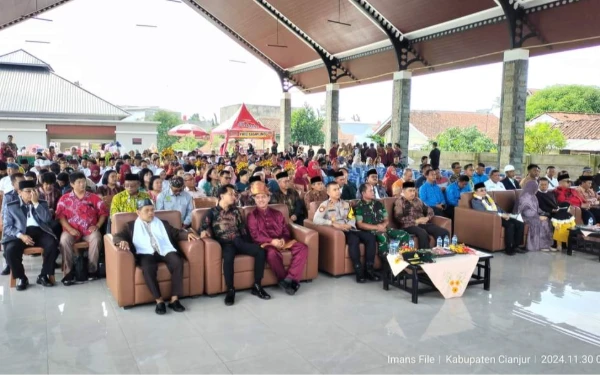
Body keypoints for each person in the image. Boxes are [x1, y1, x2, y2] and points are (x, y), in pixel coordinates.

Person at [113, 199, 198, 315]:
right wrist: (122, 241)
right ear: (138, 212)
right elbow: (118, 236)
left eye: (152, 210)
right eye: (147, 210)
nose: (150, 213)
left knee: (177, 261)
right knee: (148, 268)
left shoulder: (163, 223)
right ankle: (159, 301)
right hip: (145, 252)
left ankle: (174, 299)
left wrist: (187, 234)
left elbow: (176, 233)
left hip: (164, 249)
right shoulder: (131, 226)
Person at [198, 184, 271, 306]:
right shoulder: (212, 212)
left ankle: (257, 285)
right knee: (228, 258)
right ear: (222, 196)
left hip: (239, 242)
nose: (234, 196)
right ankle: (230, 290)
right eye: (231, 194)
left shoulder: (236, 210)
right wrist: (203, 232)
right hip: (226, 244)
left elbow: (242, 229)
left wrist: (249, 244)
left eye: (234, 194)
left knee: (260, 251)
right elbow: (201, 228)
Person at [246, 182, 308, 295]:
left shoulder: (278, 213)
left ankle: (290, 279)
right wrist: (272, 241)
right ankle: (284, 280)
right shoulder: (252, 216)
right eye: (258, 197)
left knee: (302, 247)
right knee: (272, 254)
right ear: (254, 199)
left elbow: (285, 231)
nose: (261, 200)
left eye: (263, 197)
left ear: (268, 198)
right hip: (266, 244)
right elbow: (255, 236)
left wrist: (283, 239)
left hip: (282, 241)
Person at [1, 180, 59, 290]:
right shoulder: (11, 206)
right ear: (19, 192)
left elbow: (47, 219)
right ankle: (22, 277)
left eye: (34, 191)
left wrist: (36, 203)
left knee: (52, 244)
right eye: (28, 191)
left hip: (40, 231)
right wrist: (21, 236)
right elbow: (7, 227)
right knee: (10, 250)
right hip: (19, 234)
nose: (31, 194)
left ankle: (44, 275)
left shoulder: (42, 203)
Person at [313, 181, 374, 283]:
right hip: (339, 231)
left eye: (338, 189)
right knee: (354, 240)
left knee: (370, 237)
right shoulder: (325, 205)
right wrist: (332, 223)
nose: (338, 192)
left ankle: (369, 268)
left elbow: (351, 217)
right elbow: (316, 219)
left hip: (350, 228)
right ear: (328, 192)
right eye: (335, 190)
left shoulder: (346, 204)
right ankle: (359, 271)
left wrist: (349, 224)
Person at [55, 172, 109, 285]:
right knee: (64, 241)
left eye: (84, 181)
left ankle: (92, 270)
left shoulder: (93, 197)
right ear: (72, 184)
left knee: (96, 238)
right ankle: (68, 272)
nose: (82, 184)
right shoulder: (64, 198)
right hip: (71, 230)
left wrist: (98, 225)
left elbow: (103, 213)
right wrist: (70, 229)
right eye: (79, 182)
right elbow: (60, 216)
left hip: (89, 230)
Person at [355, 183, 409, 274]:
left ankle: (399, 263)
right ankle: (387, 266)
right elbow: (360, 224)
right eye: (371, 190)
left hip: (383, 228)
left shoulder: (378, 203)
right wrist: (377, 227)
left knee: (404, 235)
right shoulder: (359, 206)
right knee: (383, 237)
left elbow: (386, 219)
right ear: (363, 193)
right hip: (369, 231)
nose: (373, 192)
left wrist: (383, 226)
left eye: (373, 190)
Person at [471, 182, 525, 255]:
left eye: (485, 190)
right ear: (475, 191)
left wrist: (505, 213)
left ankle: (516, 246)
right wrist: (501, 215)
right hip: (491, 218)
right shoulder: (475, 201)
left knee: (520, 224)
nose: (484, 192)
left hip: (500, 215)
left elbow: (497, 207)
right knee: (510, 225)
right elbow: (484, 212)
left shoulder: (488, 198)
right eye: (481, 190)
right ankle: (509, 248)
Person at [393, 181, 449, 249]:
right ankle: (425, 254)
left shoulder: (418, 200)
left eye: (414, 191)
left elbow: (430, 210)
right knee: (422, 233)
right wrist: (416, 221)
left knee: (443, 232)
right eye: (410, 191)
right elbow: (398, 217)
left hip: (423, 224)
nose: (413, 193)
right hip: (408, 226)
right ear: (403, 191)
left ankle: (440, 252)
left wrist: (427, 218)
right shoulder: (399, 202)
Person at [536, 177, 574, 251]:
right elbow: (541, 207)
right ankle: (555, 243)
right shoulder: (537, 194)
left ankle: (565, 243)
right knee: (557, 220)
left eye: (545, 185)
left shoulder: (551, 193)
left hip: (555, 211)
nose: (544, 186)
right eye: (541, 185)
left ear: (548, 185)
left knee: (568, 218)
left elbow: (556, 203)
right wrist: (552, 210)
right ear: (538, 185)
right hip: (545, 212)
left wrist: (560, 208)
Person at [517, 181, 554, 252]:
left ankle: (546, 244)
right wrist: (538, 217)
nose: (537, 189)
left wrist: (544, 213)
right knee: (542, 222)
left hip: (533, 215)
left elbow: (537, 208)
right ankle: (541, 245)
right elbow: (526, 212)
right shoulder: (524, 197)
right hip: (526, 217)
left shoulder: (533, 196)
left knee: (546, 220)